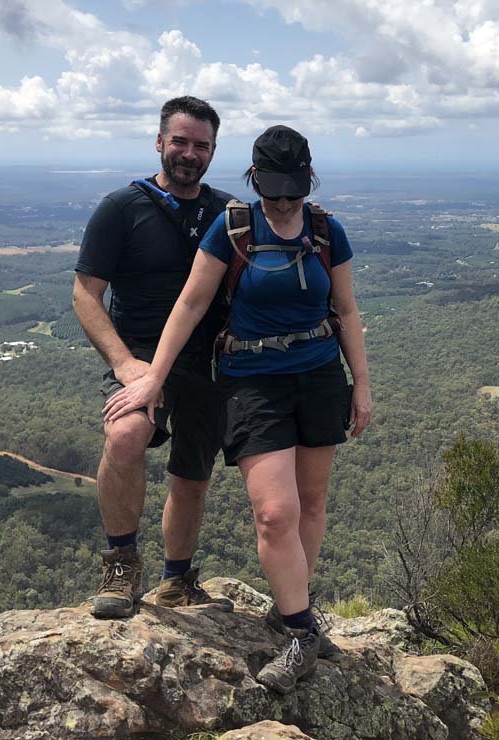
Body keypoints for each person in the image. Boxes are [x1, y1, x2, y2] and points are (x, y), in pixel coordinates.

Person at [103, 125, 372, 693]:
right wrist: (152, 378)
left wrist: (362, 387)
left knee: (311, 502)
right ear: (254, 179)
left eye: (294, 191)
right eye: (274, 191)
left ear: (308, 181)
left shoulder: (327, 231)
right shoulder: (233, 229)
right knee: (274, 512)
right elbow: (191, 303)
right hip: (252, 381)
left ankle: (290, 608)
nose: (284, 202)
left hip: (320, 376)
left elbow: (347, 311)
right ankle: (301, 633)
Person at [72, 96, 237, 619]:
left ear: (213, 151)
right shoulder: (122, 208)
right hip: (141, 354)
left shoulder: (228, 213)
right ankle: (121, 564)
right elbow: (85, 294)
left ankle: (176, 581)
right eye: (180, 142)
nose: (189, 153)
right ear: (160, 142)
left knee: (192, 473)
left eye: (201, 145)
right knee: (125, 434)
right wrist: (125, 365)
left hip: (209, 360)